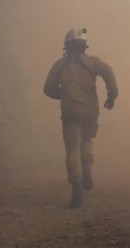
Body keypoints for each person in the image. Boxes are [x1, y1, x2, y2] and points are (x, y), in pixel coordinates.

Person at [43, 27, 118, 208]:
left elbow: (48, 89)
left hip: (70, 111)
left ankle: (77, 187)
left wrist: (64, 94)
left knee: (72, 149)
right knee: (87, 141)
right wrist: (111, 96)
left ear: (67, 46)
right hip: (91, 110)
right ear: (84, 46)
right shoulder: (93, 62)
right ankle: (87, 167)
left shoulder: (59, 65)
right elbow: (108, 71)